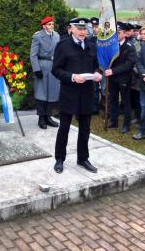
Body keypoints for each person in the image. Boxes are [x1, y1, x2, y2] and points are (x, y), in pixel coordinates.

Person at [51, 18, 103, 174]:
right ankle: (59, 159)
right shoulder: (63, 46)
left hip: (87, 93)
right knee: (64, 128)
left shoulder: (91, 46)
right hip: (69, 93)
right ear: (71, 29)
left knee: (85, 129)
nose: (82, 32)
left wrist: (98, 73)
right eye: (79, 29)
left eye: (84, 29)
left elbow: (97, 66)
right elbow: (56, 70)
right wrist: (72, 77)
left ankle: (83, 158)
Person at [104, 22, 137, 133]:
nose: (116, 35)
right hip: (112, 78)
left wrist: (113, 71)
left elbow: (129, 64)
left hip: (123, 78)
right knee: (113, 99)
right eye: (115, 33)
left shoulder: (130, 47)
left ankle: (126, 125)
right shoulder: (111, 45)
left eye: (118, 33)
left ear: (125, 34)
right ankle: (114, 121)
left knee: (125, 101)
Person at [30, 16, 61, 129]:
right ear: (44, 26)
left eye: (52, 24)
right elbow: (33, 55)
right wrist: (36, 69)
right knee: (41, 93)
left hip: (53, 67)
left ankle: (48, 117)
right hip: (42, 66)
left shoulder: (57, 36)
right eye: (49, 24)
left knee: (52, 93)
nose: (51, 26)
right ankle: (41, 118)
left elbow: (59, 52)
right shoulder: (38, 36)